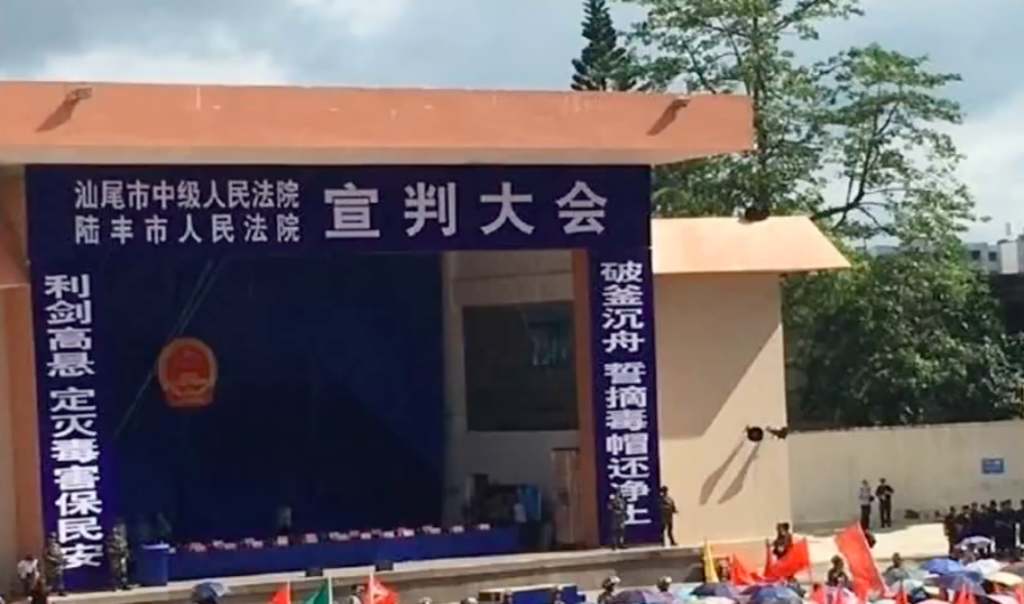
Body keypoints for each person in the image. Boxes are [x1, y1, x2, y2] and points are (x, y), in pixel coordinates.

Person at [106, 523, 131, 590]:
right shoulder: (110, 539)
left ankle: (124, 585)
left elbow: (125, 546)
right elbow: (109, 549)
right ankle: (115, 586)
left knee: (123, 571)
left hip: (122, 556)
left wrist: (126, 553)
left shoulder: (121, 539)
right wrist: (116, 553)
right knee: (115, 571)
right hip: (115, 557)